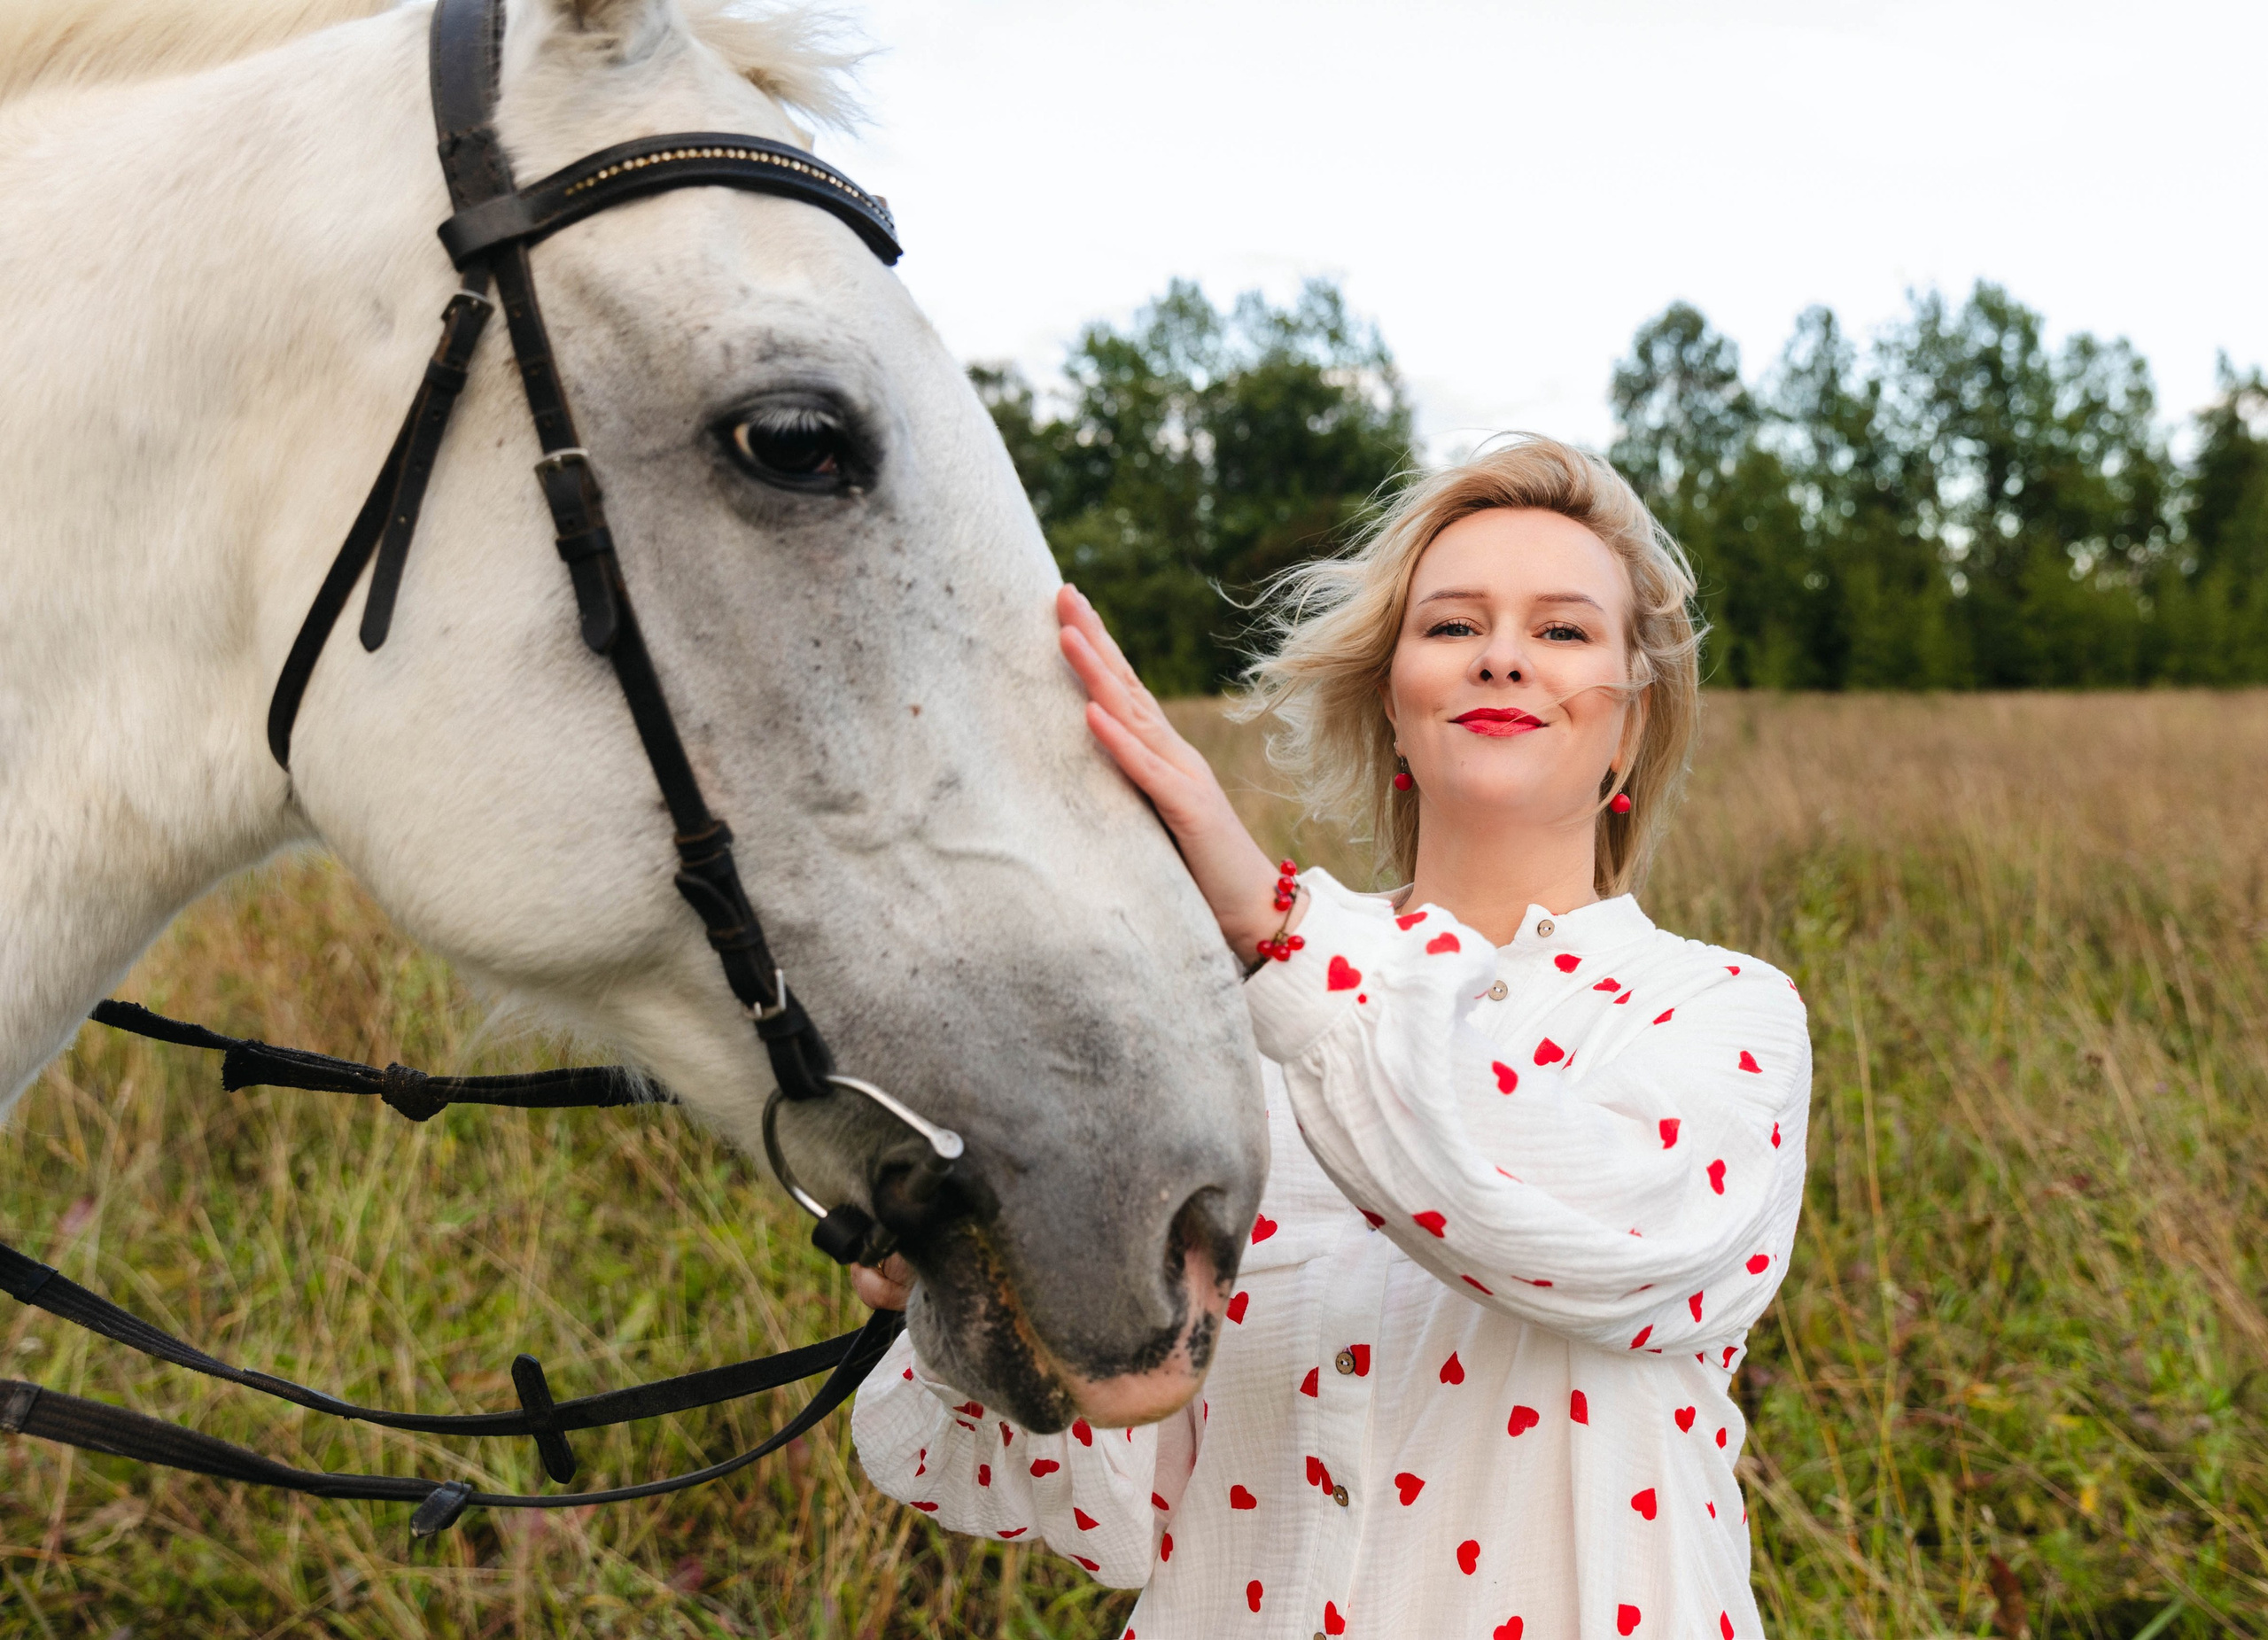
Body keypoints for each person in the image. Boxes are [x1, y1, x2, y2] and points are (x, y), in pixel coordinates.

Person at [847, 435, 1812, 1639]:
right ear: (1390, 703)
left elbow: (1586, 1233)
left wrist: (1275, 932)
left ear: (1632, 720)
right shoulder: (1229, 1048)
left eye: (1563, 632)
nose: (1503, 654)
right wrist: (966, 1297)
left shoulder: (1717, 1018)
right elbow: (1113, 1509)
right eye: (1453, 626)